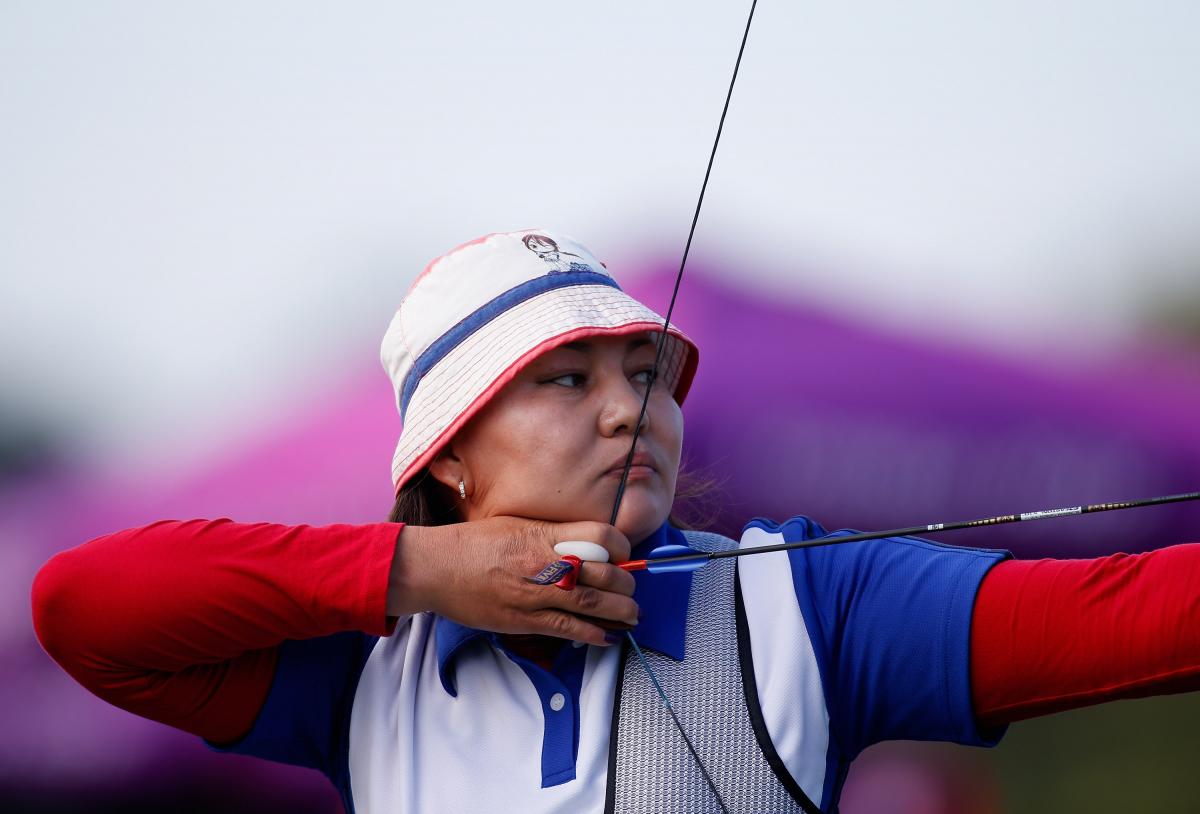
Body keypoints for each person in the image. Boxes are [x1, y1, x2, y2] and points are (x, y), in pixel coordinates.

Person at [30, 229, 1200, 813]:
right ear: (447, 459)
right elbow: (81, 606)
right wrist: (427, 569)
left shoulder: (807, 605)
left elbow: (1137, 614)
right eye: (564, 378)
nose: (628, 407)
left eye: (646, 371)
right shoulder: (361, 675)